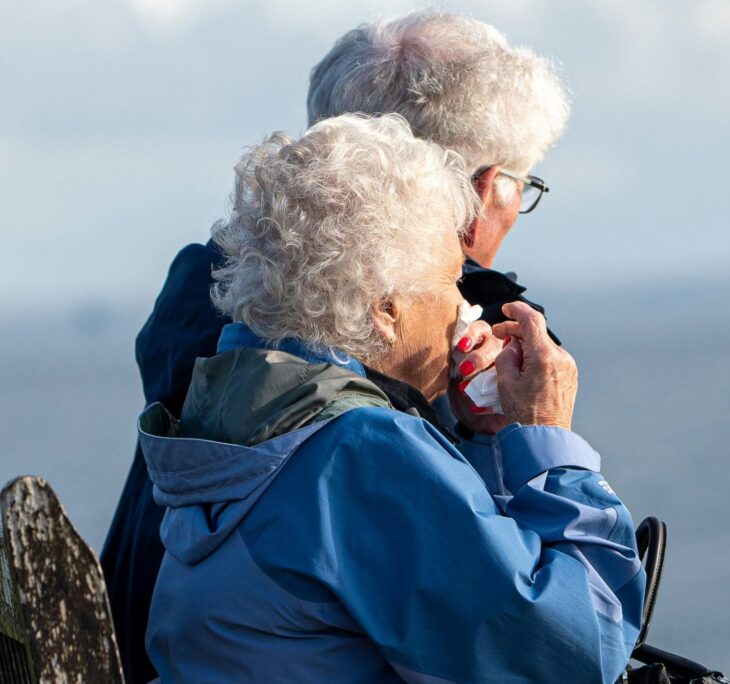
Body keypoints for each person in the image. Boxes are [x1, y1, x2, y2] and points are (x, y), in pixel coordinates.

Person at [100, 11, 572, 681]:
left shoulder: (219, 298)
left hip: (133, 641)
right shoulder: (453, 342)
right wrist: (537, 442)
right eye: (523, 186)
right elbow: (546, 639)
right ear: (476, 191)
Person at [140, 113, 643, 682]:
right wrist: (548, 439)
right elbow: (577, 651)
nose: (464, 306)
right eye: (451, 280)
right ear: (385, 309)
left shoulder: (241, 414)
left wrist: (485, 439)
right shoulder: (359, 450)